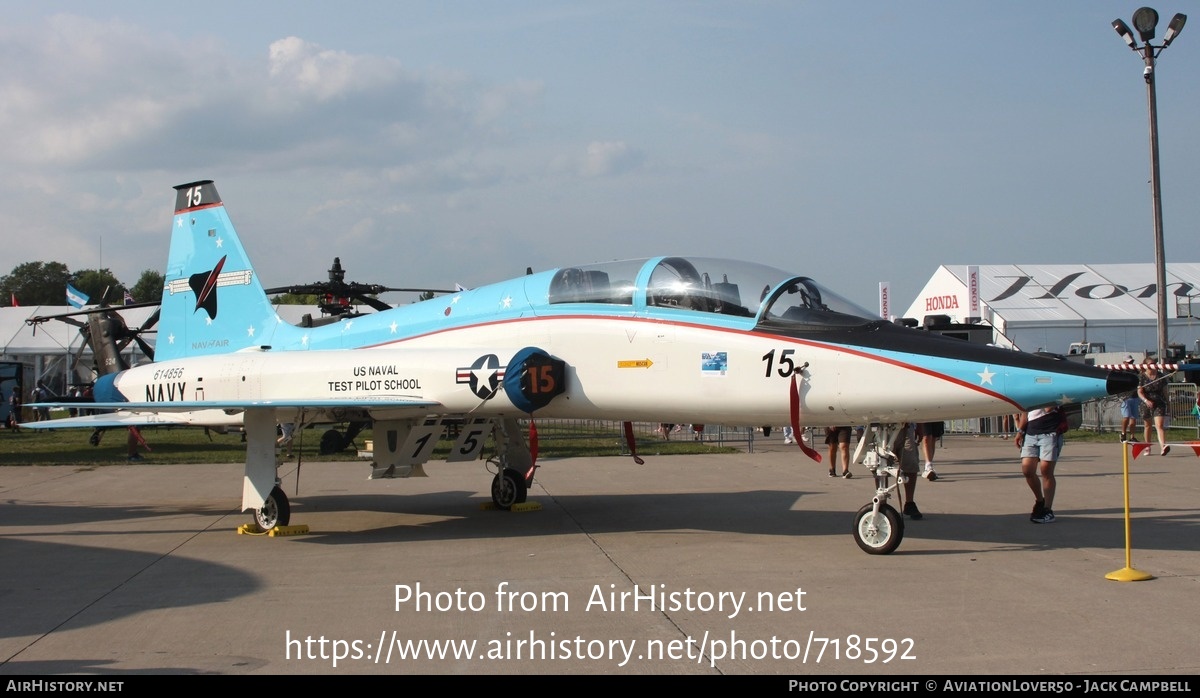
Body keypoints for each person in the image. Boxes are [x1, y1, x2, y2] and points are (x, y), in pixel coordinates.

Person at [1016, 406, 1066, 524]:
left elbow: (1049, 408)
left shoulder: (1052, 388)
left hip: (1050, 432)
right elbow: (1025, 412)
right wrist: (1020, 431)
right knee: (1027, 471)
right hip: (1031, 433)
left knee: (1046, 471)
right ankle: (1040, 501)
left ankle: (1048, 510)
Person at [890, 423, 924, 519]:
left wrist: (919, 426)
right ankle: (882, 503)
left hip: (906, 426)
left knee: (911, 463)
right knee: (881, 465)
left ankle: (909, 503)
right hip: (883, 427)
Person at [1138, 362, 1171, 456]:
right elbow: (1139, 392)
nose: (1153, 366)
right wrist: (1145, 400)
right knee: (1148, 425)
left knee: (1159, 425)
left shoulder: (1160, 376)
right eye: (1150, 364)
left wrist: (1168, 403)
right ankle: (1147, 447)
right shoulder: (1141, 377)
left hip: (1159, 403)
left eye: (1154, 364)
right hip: (1146, 403)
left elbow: (1165, 391)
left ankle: (1163, 447)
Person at [1118, 355, 1141, 442]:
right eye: (1128, 362)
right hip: (1125, 397)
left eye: (1131, 362)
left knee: (1133, 418)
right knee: (1126, 416)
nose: (1130, 364)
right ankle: (1123, 434)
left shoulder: (1135, 371)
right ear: (1124, 363)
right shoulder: (1121, 372)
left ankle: (1132, 436)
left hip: (1135, 396)